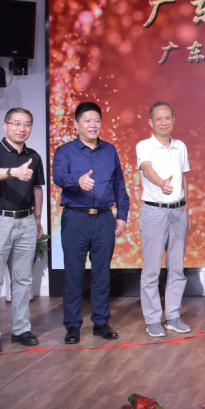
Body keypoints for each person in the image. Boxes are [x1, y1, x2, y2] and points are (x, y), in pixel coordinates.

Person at [52, 102, 130, 344]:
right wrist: (77, 181)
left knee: (102, 273)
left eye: (96, 120)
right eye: (87, 120)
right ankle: (72, 325)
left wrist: (122, 215)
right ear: (77, 124)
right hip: (76, 218)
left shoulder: (110, 150)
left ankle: (101, 322)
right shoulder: (65, 151)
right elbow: (58, 176)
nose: (92, 125)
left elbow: (119, 184)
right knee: (74, 273)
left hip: (104, 218)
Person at [0, 108, 44, 353]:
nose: (21, 128)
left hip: (26, 222)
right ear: (6, 126)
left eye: (26, 124)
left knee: (23, 280)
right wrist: (13, 172)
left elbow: (38, 188)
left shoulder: (33, 155)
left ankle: (21, 329)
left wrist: (38, 219)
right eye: (16, 123)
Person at [136, 102, 191, 337]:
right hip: (154, 212)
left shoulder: (180, 147)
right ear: (151, 122)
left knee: (177, 268)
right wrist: (161, 183)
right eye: (158, 118)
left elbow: (183, 178)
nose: (163, 122)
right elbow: (146, 168)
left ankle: (173, 316)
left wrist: (186, 208)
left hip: (178, 213)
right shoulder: (144, 146)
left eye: (167, 118)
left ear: (173, 120)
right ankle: (152, 319)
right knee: (151, 270)